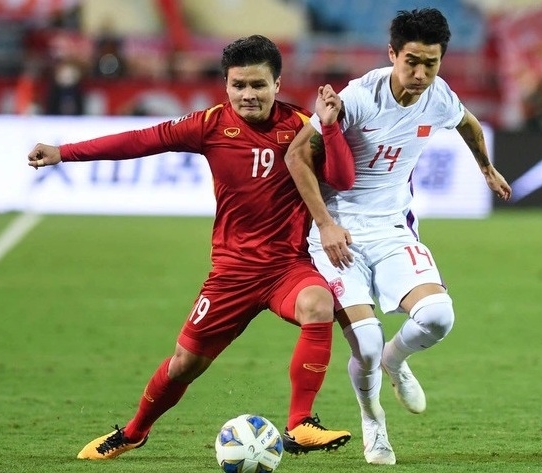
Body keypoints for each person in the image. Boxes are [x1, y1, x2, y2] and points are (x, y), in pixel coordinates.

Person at [27, 34, 352, 460]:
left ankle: (300, 423)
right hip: (231, 274)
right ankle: (133, 432)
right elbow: (140, 140)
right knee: (184, 364)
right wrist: (64, 152)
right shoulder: (210, 125)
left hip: (286, 268)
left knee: (318, 304)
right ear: (225, 84)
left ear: (277, 83)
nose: (248, 95)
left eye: (258, 85)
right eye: (238, 85)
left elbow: (342, 178)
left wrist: (330, 127)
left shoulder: (303, 127)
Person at [285, 9, 512, 465]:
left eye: (431, 63)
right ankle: (373, 421)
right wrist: (325, 224)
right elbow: (296, 156)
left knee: (438, 317)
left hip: (392, 229)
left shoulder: (438, 95)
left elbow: (467, 122)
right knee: (365, 344)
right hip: (341, 233)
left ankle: (396, 359)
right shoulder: (358, 98)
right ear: (392, 54)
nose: (421, 73)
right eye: (412, 61)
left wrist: (486, 168)